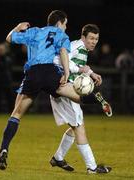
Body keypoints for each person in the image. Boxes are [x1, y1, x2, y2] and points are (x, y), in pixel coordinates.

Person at [0, 10, 72, 170]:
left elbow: (9, 38)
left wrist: (17, 27)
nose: (65, 27)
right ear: (59, 23)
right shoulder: (61, 34)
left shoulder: (34, 31)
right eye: (65, 24)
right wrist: (66, 73)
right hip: (50, 73)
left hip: (32, 74)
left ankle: (4, 148)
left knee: (16, 113)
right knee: (76, 95)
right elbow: (63, 52)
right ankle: (96, 100)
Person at [49, 24, 112, 174]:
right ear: (83, 37)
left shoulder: (82, 48)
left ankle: (58, 158)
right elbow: (57, 59)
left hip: (69, 90)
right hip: (66, 89)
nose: (94, 41)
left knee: (75, 126)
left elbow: (79, 64)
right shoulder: (76, 46)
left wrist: (91, 73)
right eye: (91, 38)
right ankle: (92, 167)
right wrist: (79, 70)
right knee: (79, 127)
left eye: (96, 39)